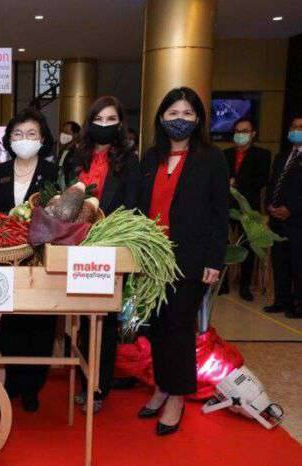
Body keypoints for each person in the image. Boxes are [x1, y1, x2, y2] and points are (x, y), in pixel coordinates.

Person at [138, 87, 229, 435]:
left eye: (188, 114)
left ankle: (177, 396)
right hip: (152, 259)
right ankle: (162, 386)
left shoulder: (211, 158)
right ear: (161, 118)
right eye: (173, 113)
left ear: (198, 119)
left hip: (189, 259)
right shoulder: (152, 157)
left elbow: (220, 214)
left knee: (178, 328)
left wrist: (214, 260)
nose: (180, 119)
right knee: (157, 327)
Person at [66, 96, 142, 413]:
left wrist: (106, 229)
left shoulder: (129, 161)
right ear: (90, 122)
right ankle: (84, 379)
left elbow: (134, 206)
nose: (105, 125)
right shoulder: (75, 156)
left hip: (108, 248)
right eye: (99, 119)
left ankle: (98, 387)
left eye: (112, 119)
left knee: (105, 321)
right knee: (82, 319)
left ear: (120, 123)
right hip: (74, 247)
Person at [0, 108, 57, 412]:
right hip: (2, 257)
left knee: (39, 322)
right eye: (18, 133)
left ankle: (33, 387)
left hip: (40, 259)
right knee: (5, 321)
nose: (24, 139)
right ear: (9, 139)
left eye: (31, 134)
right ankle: (9, 383)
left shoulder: (53, 173)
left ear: (42, 139)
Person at [221, 117, 271, 301]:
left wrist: (236, 183)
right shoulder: (224, 154)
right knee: (222, 243)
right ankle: (223, 283)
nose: (240, 134)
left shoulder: (263, 155)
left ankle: (244, 286)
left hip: (248, 208)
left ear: (253, 134)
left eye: (245, 131)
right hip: (226, 206)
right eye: (237, 131)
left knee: (247, 246)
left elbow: (261, 180)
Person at [264, 115, 302, 319]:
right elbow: (273, 183)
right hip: (277, 220)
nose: (296, 130)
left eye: (301, 127)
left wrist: (291, 209)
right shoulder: (282, 157)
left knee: (298, 264)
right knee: (280, 263)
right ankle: (281, 300)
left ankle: (299, 304)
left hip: (297, 221)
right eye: (294, 126)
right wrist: (269, 205)